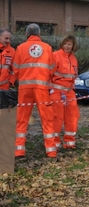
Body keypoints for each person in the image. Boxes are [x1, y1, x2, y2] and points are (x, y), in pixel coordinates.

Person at [13, 23, 57, 159]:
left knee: (21, 119)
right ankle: (51, 151)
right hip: (42, 89)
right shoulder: (48, 48)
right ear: (39, 35)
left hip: (25, 89)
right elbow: (52, 69)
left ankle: (19, 150)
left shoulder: (20, 48)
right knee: (47, 119)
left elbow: (15, 69)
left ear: (26, 35)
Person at [50, 35, 80, 150]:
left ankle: (69, 142)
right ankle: (54, 143)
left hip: (69, 91)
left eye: (69, 44)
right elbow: (49, 73)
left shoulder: (73, 58)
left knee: (72, 116)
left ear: (73, 46)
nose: (67, 46)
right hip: (57, 90)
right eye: (65, 44)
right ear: (62, 44)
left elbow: (74, 76)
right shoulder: (55, 56)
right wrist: (50, 89)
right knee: (57, 117)